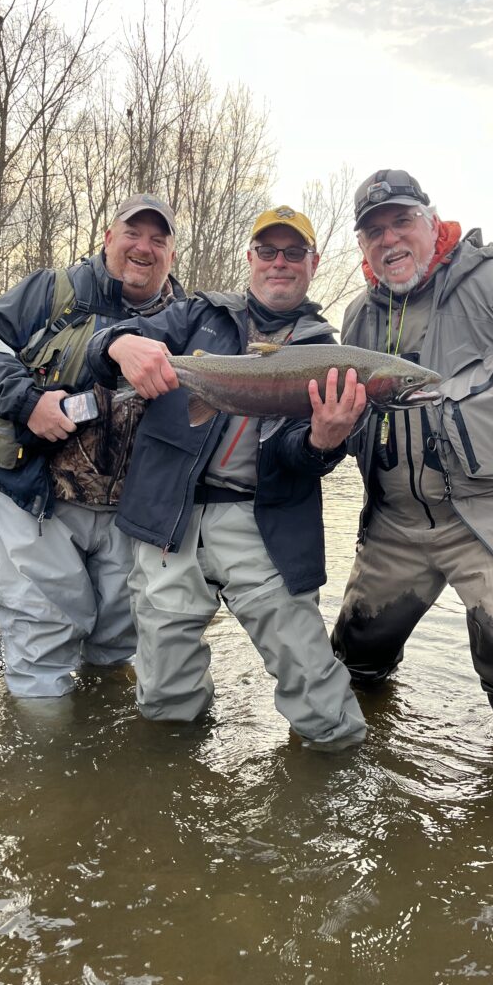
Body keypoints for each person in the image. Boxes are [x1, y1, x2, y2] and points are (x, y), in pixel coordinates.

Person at [330, 169, 493, 757]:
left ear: (432, 221)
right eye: (373, 230)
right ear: (362, 246)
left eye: (401, 221)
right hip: (396, 525)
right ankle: (364, 763)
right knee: (353, 661)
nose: (389, 239)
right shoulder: (358, 317)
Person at [86, 205, 368, 748]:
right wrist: (118, 345)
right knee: (164, 699)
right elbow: (114, 341)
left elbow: (298, 455)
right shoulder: (197, 314)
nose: (279, 262)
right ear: (251, 258)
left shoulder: (326, 354)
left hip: (264, 521)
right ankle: (173, 789)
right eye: (268, 251)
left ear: (312, 264)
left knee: (318, 694)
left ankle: (336, 789)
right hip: (173, 514)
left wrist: (322, 441)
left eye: (293, 253)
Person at [0, 193, 185, 697]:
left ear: (172, 254)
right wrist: (27, 402)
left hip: (131, 518)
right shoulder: (50, 291)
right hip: (39, 504)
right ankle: (46, 764)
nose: (143, 247)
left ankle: (103, 763)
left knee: (115, 652)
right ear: (108, 238)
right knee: (40, 658)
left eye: (158, 238)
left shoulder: (188, 318)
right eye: (132, 233)